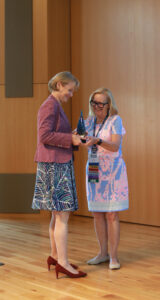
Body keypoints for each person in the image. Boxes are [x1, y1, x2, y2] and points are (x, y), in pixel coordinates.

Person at [32, 71, 87, 279]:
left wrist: (71, 137)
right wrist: (71, 139)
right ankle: (63, 263)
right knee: (62, 215)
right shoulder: (50, 105)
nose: (71, 94)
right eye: (70, 90)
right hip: (55, 165)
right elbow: (44, 136)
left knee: (57, 215)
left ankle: (55, 256)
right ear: (59, 85)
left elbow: (52, 134)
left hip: (54, 164)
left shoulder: (54, 105)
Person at [82, 87, 129, 270]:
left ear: (109, 105)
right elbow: (76, 138)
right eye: (94, 103)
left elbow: (115, 146)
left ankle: (114, 257)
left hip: (113, 171)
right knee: (97, 213)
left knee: (111, 214)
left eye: (101, 103)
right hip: (94, 170)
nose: (97, 106)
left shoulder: (115, 120)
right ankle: (102, 253)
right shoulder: (88, 122)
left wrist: (97, 141)